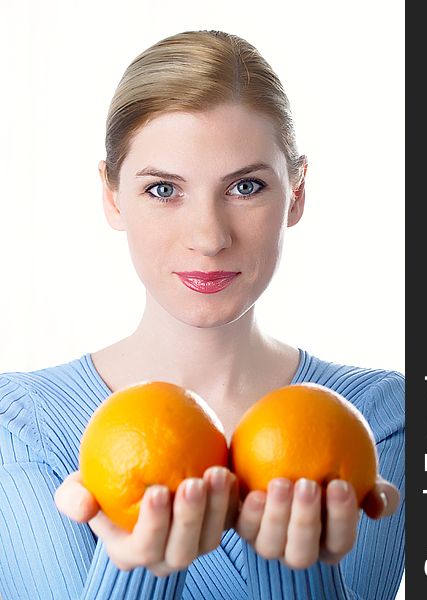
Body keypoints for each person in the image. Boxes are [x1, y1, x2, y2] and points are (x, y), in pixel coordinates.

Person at [0, 30, 404, 600]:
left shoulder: (385, 420)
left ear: (296, 193)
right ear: (113, 196)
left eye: (245, 186)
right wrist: (137, 573)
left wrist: (297, 570)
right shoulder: (17, 429)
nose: (209, 237)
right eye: (164, 189)